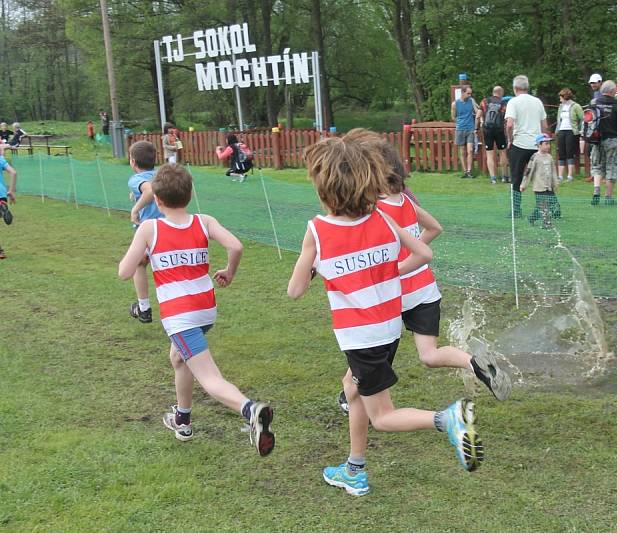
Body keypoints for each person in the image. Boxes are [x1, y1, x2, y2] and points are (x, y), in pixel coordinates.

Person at [287, 136, 484, 496]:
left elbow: (295, 290)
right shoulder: (381, 216)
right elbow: (423, 252)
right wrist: (390, 271)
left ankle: (447, 419)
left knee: (382, 416)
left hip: (362, 338)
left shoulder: (317, 230)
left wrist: (314, 266)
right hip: (390, 328)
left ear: (323, 186)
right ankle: (354, 468)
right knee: (353, 388)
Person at [334, 129, 511, 414]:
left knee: (367, 356)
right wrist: (414, 254)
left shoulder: (375, 209)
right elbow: (435, 228)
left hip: (392, 297)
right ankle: (474, 363)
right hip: (425, 290)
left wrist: (399, 266)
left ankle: (348, 398)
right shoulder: (407, 202)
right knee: (429, 354)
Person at [118, 164, 275, 455]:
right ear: (189, 195)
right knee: (179, 358)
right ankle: (183, 419)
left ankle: (251, 410)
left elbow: (124, 272)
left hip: (180, 315)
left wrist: (144, 250)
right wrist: (230, 271)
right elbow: (236, 246)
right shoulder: (204, 221)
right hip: (205, 308)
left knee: (209, 376)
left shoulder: (150, 228)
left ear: (157, 200)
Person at [127, 141, 163, 323]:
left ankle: (144, 308)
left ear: (133, 161)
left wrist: (136, 208)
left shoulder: (136, 179)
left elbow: (150, 191)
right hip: (169, 228)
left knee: (137, 265)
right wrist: (138, 196)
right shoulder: (161, 175)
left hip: (149, 232)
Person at [505, 75, 548, 218]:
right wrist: (543, 143)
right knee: (539, 178)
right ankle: (543, 209)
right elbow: (544, 126)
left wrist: (510, 139)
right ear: (527, 87)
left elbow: (510, 124)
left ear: (515, 88)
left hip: (519, 144)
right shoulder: (538, 102)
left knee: (516, 178)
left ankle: (516, 210)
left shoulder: (513, 102)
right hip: (535, 145)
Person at [589, 80, 617, 206]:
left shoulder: (594, 103)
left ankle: (596, 189)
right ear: (612, 91)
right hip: (611, 140)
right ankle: (608, 197)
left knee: (597, 165)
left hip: (596, 139)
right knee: (612, 165)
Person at [521, 134, 560, 228]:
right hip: (539, 187)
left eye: (549, 144)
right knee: (543, 206)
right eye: (546, 144)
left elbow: (553, 171)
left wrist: (556, 183)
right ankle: (547, 223)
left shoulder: (549, 157)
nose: (548, 146)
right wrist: (524, 185)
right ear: (539, 145)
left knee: (552, 204)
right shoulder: (535, 157)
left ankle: (532, 218)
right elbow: (528, 172)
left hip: (549, 187)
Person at [480, 86, 509, 184]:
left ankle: (493, 178)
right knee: (503, 153)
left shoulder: (485, 101)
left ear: (493, 92)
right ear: (501, 93)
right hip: (499, 130)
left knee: (489, 154)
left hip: (487, 130)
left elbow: (479, 115)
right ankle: (505, 176)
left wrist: (479, 125)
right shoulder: (504, 103)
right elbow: (507, 118)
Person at [451, 86, 480, 179]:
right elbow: (453, 116)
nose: (470, 95)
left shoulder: (471, 101)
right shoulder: (455, 104)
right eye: (468, 93)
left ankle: (469, 170)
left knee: (470, 150)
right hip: (460, 129)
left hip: (470, 129)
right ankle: (465, 171)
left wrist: (478, 115)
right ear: (462, 93)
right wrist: (460, 122)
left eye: (470, 93)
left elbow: (477, 111)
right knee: (462, 151)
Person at [555, 88, 583, 183]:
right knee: (561, 153)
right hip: (561, 131)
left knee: (570, 153)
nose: (560, 99)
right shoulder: (561, 107)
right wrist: (557, 131)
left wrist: (579, 130)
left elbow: (582, 118)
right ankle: (560, 176)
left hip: (571, 132)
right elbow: (559, 120)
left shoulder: (576, 106)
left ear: (565, 97)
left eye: (561, 97)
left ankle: (570, 176)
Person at [0, 147, 17, 259]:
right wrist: (10, 191)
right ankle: (3, 207)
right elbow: (14, 173)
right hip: (2, 194)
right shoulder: (0, 159)